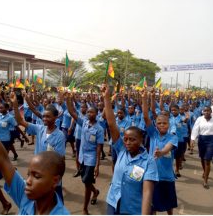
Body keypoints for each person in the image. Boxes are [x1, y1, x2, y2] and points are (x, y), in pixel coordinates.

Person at [0, 93, 70, 215]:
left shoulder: (60, 135)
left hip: (50, 177)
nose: (28, 181)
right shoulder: (26, 196)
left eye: (36, 176)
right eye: (29, 175)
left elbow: (60, 160)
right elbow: (3, 159)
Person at [102, 84, 158, 215]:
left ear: (141, 141)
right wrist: (106, 98)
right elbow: (111, 123)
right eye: (126, 139)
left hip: (133, 209)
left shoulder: (149, 161)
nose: (128, 143)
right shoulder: (121, 150)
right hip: (113, 203)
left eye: (132, 140)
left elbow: (147, 192)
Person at [10, 91, 66, 202]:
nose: (44, 119)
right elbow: (20, 121)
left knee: (56, 202)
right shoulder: (40, 129)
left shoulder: (60, 135)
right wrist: (15, 104)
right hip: (38, 172)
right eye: (43, 116)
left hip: (51, 175)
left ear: (55, 118)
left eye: (48, 117)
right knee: (38, 202)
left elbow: (60, 160)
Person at [142, 89, 178, 214]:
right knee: (152, 206)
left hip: (167, 177)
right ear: (156, 125)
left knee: (169, 205)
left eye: (164, 123)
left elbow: (169, 147)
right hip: (152, 175)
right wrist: (145, 97)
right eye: (159, 123)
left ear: (169, 124)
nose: (162, 125)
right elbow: (146, 116)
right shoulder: (153, 134)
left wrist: (161, 153)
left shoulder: (173, 137)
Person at [66, 92, 103, 215]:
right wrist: (68, 98)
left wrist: (97, 165)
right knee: (85, 180)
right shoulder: (84, 123)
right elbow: (72, 112)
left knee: (87, 183)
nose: (89, 114)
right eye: (88, 112)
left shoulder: (99, 129)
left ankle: (85, 209)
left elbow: (98, 147)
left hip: (91, 159)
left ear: (96, 114)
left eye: (92, 112)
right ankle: (96, 192)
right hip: (82, 156)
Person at [191, 106, 213, 189]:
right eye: (205, 111)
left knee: (207, 160)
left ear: (211, 111)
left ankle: (205, 180)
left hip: (212, 140)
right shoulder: (199, 119)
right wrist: (193, 139)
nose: (206, 112)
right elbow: (195, 129)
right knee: (202, 158)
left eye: (208, 111)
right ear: (202, 112)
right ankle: (205, 172)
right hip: (202, 140)